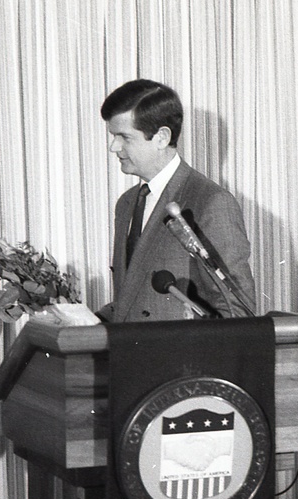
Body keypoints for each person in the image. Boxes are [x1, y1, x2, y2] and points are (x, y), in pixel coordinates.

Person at [95, 79, 256, 322]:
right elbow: (132, 298)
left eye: (124, 137)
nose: (113, 147)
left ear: (161, 137)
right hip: (131, 354)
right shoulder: (127, 204)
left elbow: (237, 311)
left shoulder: (211, 203)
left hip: (181, 357)